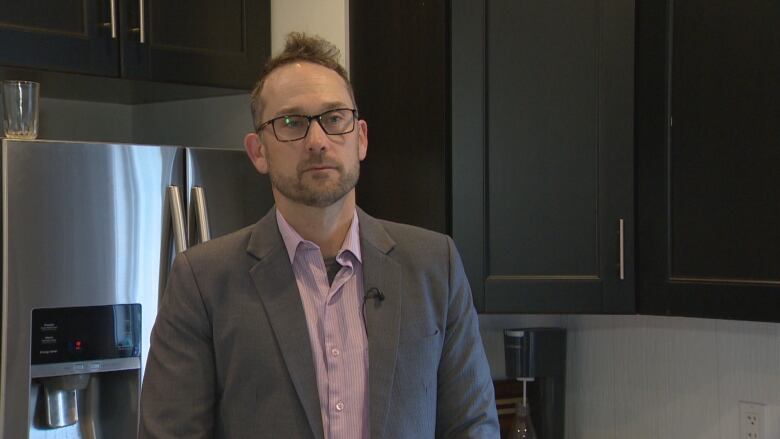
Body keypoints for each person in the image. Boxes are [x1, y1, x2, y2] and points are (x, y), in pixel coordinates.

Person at [139, 32, 499, 439]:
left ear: (359, 137)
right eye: (291, 123)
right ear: (258, 151)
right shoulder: (202, 283)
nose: (317, 142)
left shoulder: (435, 265)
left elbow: (472, 427)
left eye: (333, 118)